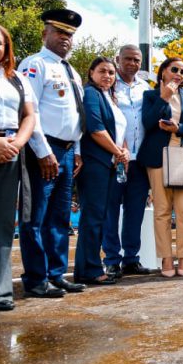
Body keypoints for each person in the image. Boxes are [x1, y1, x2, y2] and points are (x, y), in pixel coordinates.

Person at [18, 9, 87, 298]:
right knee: (35, 217)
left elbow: (76, 114)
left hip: (69, 151)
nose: (65, 39)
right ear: (45, 34)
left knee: (59, 217)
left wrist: (78, 150)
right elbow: (28, 113)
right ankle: (35, 278)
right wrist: (44, 152)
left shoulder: (71, 71)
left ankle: (56, 275)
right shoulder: (34, 65)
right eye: (59, 32)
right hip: (43, 150)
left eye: (69, 35)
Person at [0, 23, 36, 310]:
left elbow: (29, 115)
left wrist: (14, 144)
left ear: (6, 48)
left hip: (10, 152)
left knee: (1, 225)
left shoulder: (16, 79)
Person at [137, 56, 183, 277]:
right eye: (175, 69)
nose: (179, 74)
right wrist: (163, 98)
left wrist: (179, 128)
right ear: (163, 72)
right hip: (157, 159)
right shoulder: (150, 95)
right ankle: (166, 258)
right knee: (162, 211)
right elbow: (147, 123)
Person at [74, 57, 129, 286]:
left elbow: (117, 130)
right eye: (102, 71)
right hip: (95, 162)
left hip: (109, 164)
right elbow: (96, 129)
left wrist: (123, 151)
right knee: (92, 217)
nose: (107, 76)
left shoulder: (109, 97)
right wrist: (118, 151)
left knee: (100, 216)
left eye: (111, 72)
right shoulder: (91, 94)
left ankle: (90, 266)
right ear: (91, 72)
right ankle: (89, 269)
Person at [102, 45, 152, 278]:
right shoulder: (108, 85)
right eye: (128, 59)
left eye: (137, 59)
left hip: (139, 160)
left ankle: (131, 258)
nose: (133, 63)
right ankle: (112, 259)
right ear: (118, 59)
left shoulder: (145, 87)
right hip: (115, 158)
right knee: (111, 210)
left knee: (135, 212)